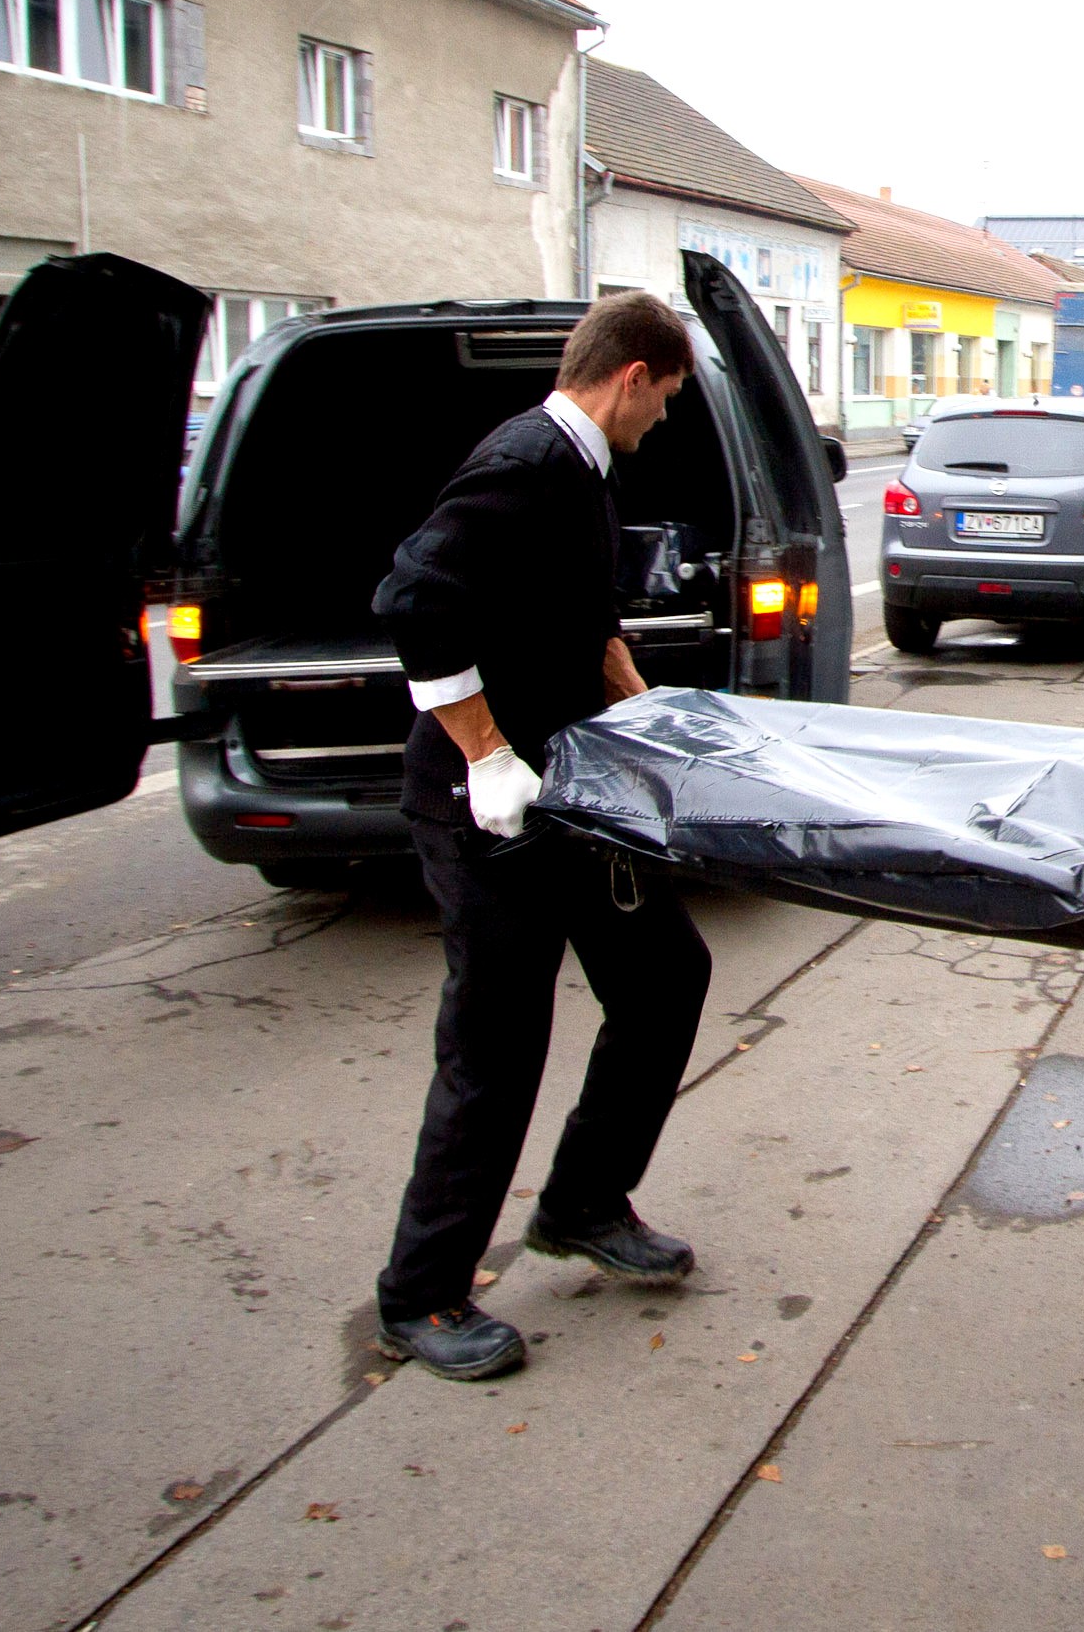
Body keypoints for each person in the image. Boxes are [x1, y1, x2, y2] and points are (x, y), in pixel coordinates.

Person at [364, 291, 717, 1381]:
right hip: (488, 813)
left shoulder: (585, 472)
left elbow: (587, 627)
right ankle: (420, 1295)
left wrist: (653, 719)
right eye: (666, 399)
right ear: (632, 377)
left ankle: (582, 1203)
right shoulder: (525, 463)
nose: (663, 420)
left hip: (569, 796)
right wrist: (484, 752)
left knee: (665, 977)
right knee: (496, 1049)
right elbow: (416, 600)